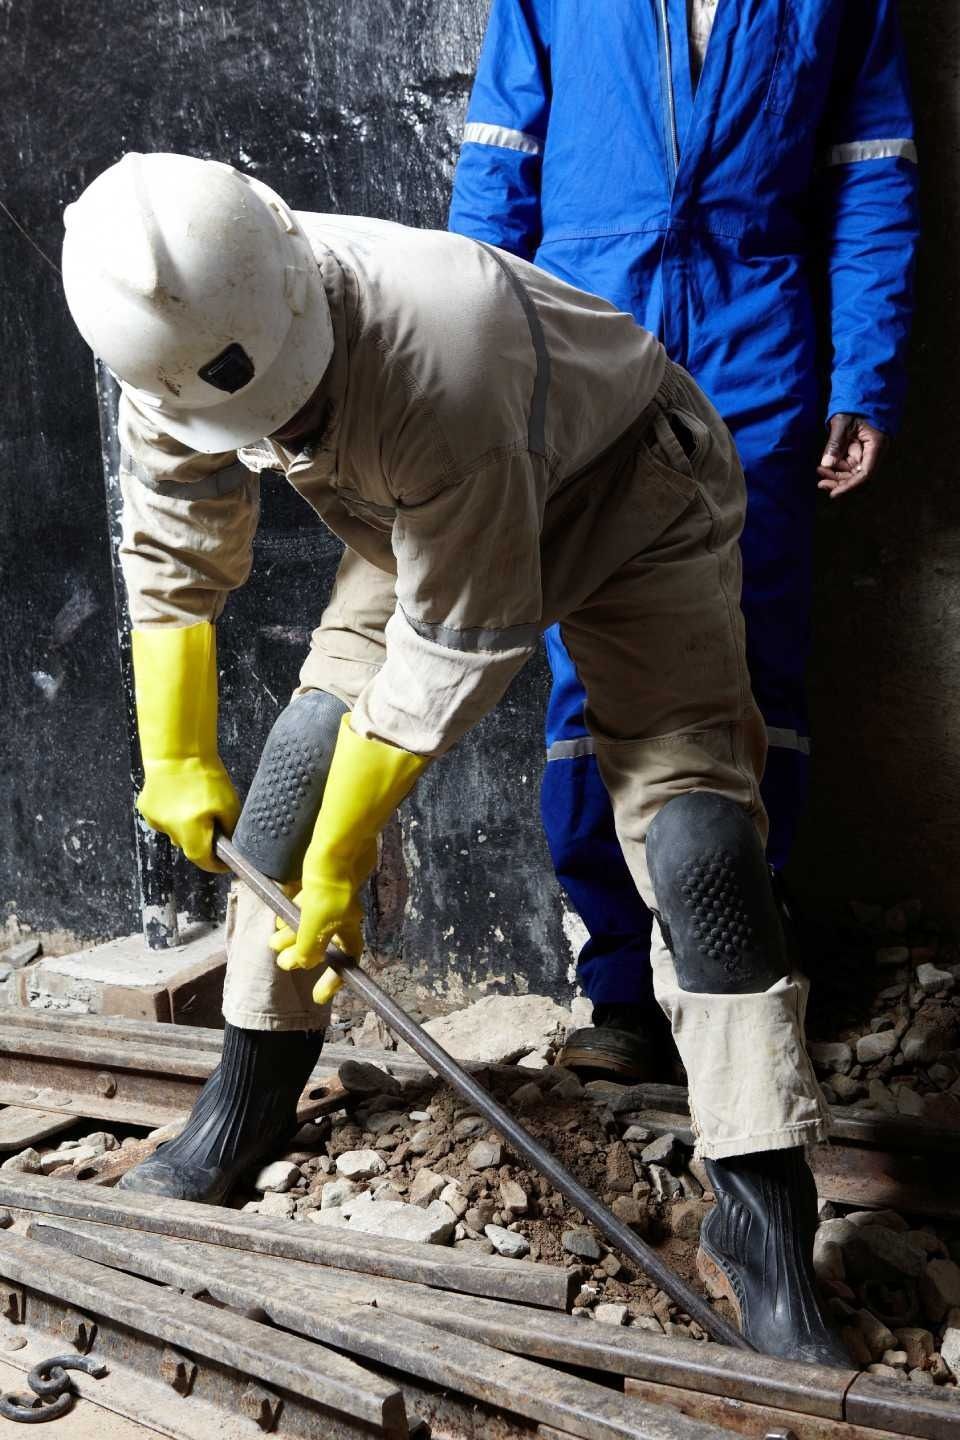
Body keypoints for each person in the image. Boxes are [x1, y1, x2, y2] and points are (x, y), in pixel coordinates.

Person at [62, 151, 844, 1361]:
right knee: (297, 774)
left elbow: (454, 651)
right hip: (413, 503)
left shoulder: (443, 344)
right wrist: (175, 754)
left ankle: (763, 1216)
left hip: (629, 489)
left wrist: (342, 867)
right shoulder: (174, 325)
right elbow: (171, 543)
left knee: (699, 845)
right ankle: (247, 1102)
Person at [449, 0, 920, 1082]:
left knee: (756, 658)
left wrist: (865, 371)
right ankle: (619, 983)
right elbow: (496, 164)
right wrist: (475, 368)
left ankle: (740, 956)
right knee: (588, 657)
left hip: (761, 331)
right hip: (584, 327)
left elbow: (873, 176)